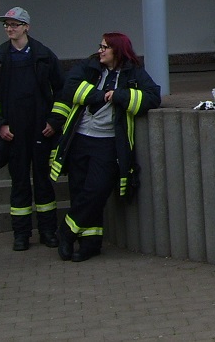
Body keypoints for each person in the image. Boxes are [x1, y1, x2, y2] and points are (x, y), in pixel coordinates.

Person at [50, 32, 161, 262]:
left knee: (97, 190)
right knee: (80, 190)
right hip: (80, 138)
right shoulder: (90, 66)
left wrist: (120, 95)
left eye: (105, 47)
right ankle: (90, 244)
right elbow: (69, 87)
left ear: (117, 51)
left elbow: (152, 96)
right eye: (100, 46)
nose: (100, 51)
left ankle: (67, 231)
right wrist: (100, 95)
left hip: (107, 141)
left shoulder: (134, 72)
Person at [0, 7, 66, 251]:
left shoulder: (44, 56)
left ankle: (48, 232)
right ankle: (21, 234)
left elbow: (63, 92)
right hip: (13, 133)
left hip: (41, 131)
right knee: (19, 184)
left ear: (26, 27)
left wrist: (54, 121)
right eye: (6, 24)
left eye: (14, 24)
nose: (9, 28)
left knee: (44, 183)